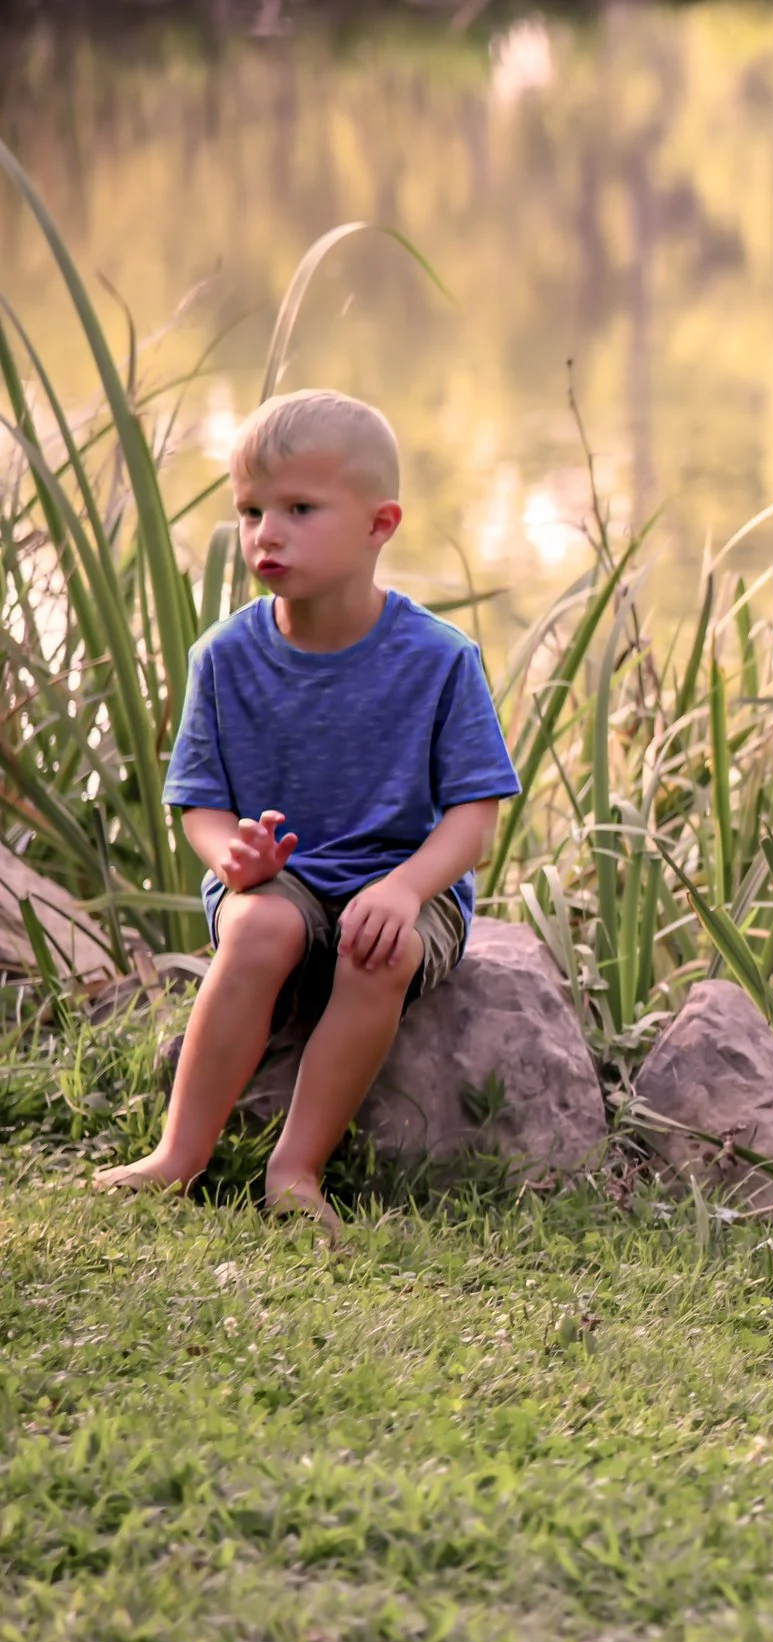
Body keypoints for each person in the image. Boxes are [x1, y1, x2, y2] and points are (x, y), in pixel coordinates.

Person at [94, 390, 521, 1237]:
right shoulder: (224, 656)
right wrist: (232, 860)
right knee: (259, 930)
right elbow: (201, 805)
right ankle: (180, 1153)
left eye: (298, 508)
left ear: (379, 524)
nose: (266, 534)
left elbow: (474, 818)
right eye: (250, 510)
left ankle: (295, 1167)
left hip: (403, 882)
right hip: (279, 883)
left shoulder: (440, 660)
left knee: (379, 951)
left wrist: (404, 891)